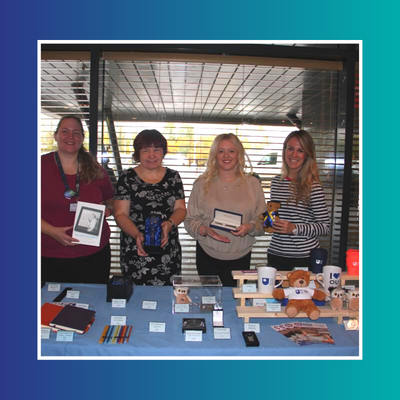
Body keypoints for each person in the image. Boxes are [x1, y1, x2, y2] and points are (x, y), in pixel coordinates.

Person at [184, 133, 266, 286]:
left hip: (241, 256)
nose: (226, 156)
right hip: (207, 254)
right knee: (209, 302)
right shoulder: (201, 184)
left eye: (231, 151)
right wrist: (204, 230)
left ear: (239, 154)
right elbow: (190, 220)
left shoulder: (253, 184)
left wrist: (250, 227)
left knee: (234, 304)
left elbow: (263, 222)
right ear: (215, 155)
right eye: (221, 151)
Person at [41, 115, 114, 283]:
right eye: (65, 131)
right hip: (48, 253)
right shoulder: (39, 166)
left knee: (93, 304)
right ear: (56, 135)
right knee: (50, 306)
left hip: (94, 255)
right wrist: (53, 232)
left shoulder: (96, 169)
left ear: (82, 138)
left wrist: (108, 209)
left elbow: (111, 200)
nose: (70, 137)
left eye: (76, 133)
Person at [113, 129, 186, 285]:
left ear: (163, 152)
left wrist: (170, 224)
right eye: (145, 150)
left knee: (167, 297)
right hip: (135, 247)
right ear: (138, 153)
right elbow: (120, 214)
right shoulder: (127, 178)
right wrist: (137, 235)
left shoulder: (173, 177)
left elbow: (180, 209)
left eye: (156, 150)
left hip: (167, 247)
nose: (151, 155)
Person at [267, 130, 331, 270]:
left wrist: (294, 228)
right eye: (290, 148)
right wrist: (267, 221)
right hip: (275, 254)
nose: (294, 154)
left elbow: (325, 227)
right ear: (284, 150)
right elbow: (275, 215)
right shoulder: (276, 182)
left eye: (300, 150)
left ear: (307, 155)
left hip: (303, 257)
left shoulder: (312, 186)